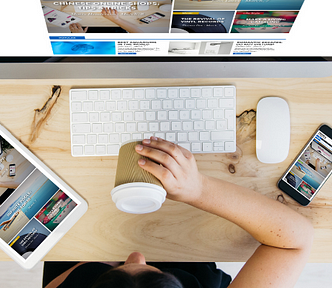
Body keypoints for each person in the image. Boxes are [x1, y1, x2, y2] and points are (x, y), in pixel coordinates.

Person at [43, 137, 313, 288]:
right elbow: (295, 242)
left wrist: (94, 267)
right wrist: (198, 190)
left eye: (128, 265)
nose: (135, 255)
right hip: (191, 258)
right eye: (150, 270)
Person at [69, 8, 143, 33]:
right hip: (115, 24)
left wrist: (78, 37)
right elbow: (140, 35)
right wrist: (116, 19)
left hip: (85, 28)